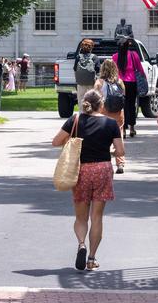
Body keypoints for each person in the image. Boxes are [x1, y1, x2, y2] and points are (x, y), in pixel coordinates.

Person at [51, 89, 124, 272]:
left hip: (81, 170)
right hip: (102, 169)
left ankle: (81, 244)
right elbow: (120, 151)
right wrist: (110, 151)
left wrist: (72, 139)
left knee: (81, 217)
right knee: (97, 217)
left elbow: (55, 141)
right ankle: (91, 259)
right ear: (102, 104)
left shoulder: (75, 120)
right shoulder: (111, 123)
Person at [93, 58, 127, 174]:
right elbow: (123, 96)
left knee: (103, 138)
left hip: (104, 112)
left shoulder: (99, 82)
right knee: (119, 136)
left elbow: (94, 99)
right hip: (118, 113)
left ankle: (104, 162)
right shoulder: (120, 81)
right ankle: (120, 163)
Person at [111, 37, 145, 138]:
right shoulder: (134, 55)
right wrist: (144, 79)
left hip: (120, 83)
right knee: (132, 105)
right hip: (132, 83)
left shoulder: (115, 57)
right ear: (128, 45)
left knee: (122, 106)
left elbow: (113, 71)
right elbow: (140, 69)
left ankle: (123, 129)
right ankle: (132, 128)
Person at [73, 38, 98, 104]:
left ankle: (82, 113)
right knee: (91, 101)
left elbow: (75, 68)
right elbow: (98, 69)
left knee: (81, 100)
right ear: (91, 47)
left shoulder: (78, 57)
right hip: (91, 83)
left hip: (80, 83)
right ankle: (90, 113)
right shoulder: (94, 57)